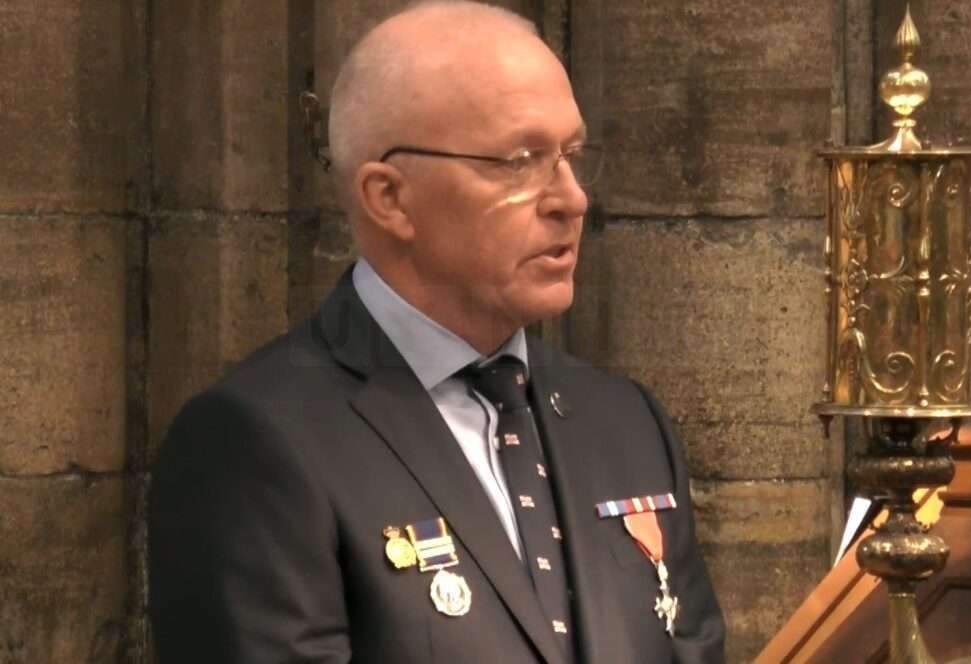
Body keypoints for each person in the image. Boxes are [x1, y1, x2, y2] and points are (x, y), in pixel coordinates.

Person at [148, 1, 725, 662]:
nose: (571, 198)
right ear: (389, 197)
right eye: (518, 161)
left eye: (570, 155)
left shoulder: (626, 423)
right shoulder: (258, 443)